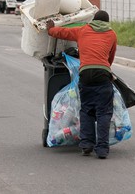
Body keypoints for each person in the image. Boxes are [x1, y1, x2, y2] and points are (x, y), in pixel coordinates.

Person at [46, 10, 117, 159]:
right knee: (103, 112)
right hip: (103, 73)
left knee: (86, 110)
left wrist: (51, 29)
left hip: (85, 74)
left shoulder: (84, 30)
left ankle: (86, 145)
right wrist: (105, 70)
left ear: (93, 21)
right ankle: (102, 149)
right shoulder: (111, 35)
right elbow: (110, 57)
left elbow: (64, 33)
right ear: (106, 22)